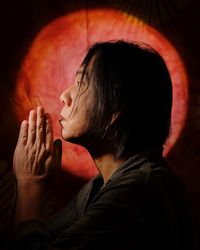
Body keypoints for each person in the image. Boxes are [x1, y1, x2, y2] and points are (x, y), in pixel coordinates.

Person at [12, 40, 195, 250]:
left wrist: (29, 183)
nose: (65, 96)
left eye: (81, 84)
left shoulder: (140, 190)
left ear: (116, 108)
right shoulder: (101, 185)